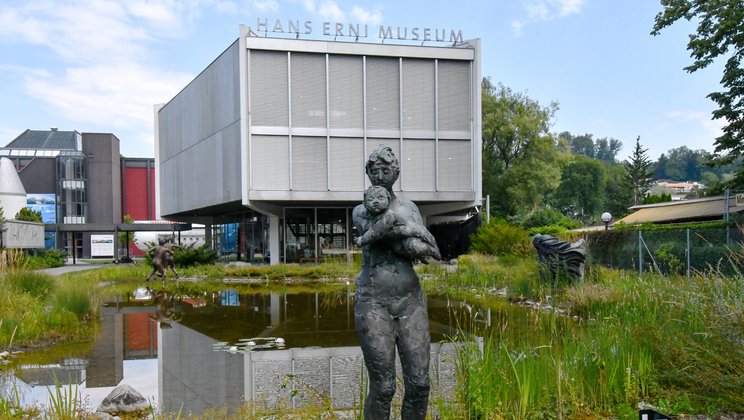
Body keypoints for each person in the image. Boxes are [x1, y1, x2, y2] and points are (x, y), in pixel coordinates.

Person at [352, 145, 440, 420]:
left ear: (396, 172)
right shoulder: (362, 209)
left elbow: (416, 248)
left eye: (386, 169)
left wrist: (409, 238)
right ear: (367, 173)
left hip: (410, 300)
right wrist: (410, 235)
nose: (380, 174)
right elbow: (388, 238)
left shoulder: (410, 207)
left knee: (420, 383)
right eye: (374, 170)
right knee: (383, 386)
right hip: (373, 301)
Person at [355, 185, 440, 263]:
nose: (376, 202)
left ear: (388, 200)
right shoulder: (368, 215)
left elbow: (376, 232)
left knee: (413, 246)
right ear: (364, 203)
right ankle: (420, 256)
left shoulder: (389, 215)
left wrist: (362, 240)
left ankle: (431, 250)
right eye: (370, 199)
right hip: (396, 240)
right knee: (399, 248)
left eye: (380, 198)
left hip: (410, 235)